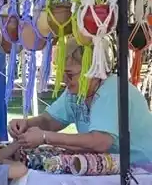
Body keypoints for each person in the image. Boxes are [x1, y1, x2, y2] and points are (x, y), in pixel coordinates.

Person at [10, 39, 152, 166]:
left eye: (70, 74)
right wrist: (26, 124)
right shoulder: (77, 92)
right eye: (62, 73)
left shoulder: (112, 90)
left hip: (142, 168)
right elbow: (50, 121)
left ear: (93, 71)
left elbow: (100, 141)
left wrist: (45, 137)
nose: (64, 79)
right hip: (118, 166)